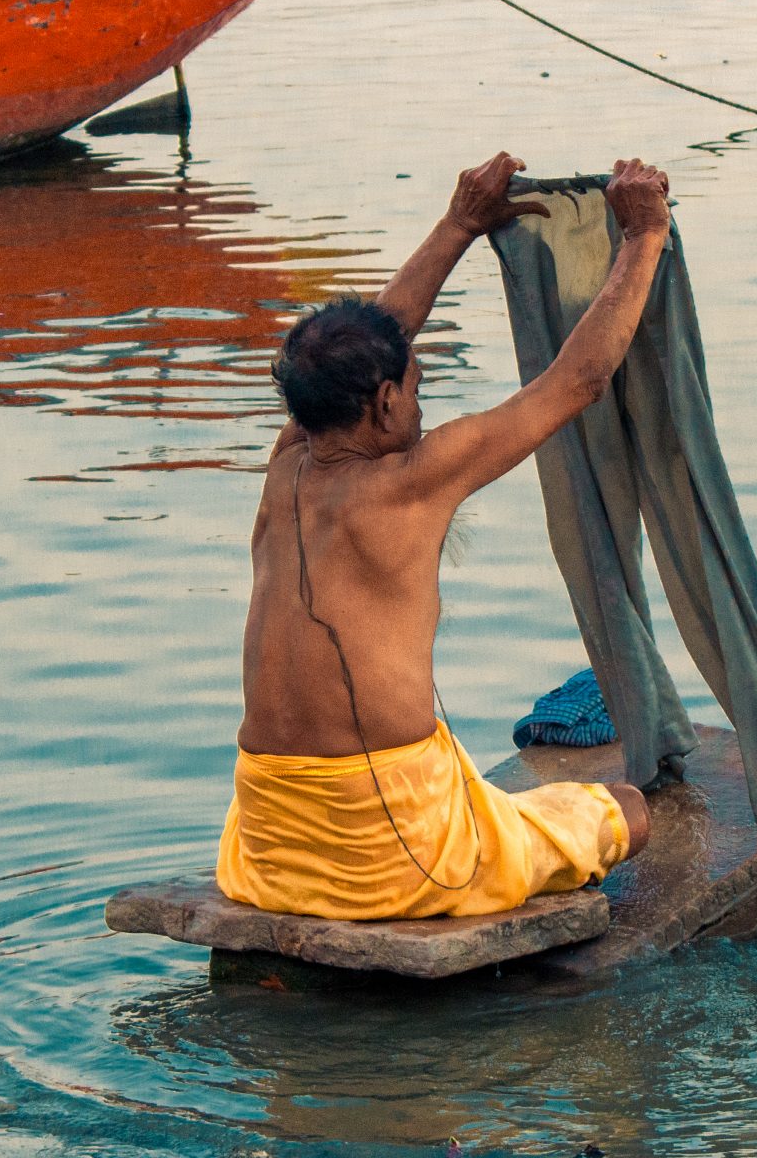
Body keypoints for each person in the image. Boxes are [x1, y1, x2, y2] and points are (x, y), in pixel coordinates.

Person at [216, 153, 673, 921]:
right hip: (393, 851)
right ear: (387, 402)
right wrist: (643, 234)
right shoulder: (411, 481)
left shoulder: (287, 464)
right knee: (626, 809)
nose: (422, 408)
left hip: (267, 846)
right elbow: (576, 382)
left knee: (498, 793)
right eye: (416, 389)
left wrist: (461, 223)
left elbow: (360, 347)